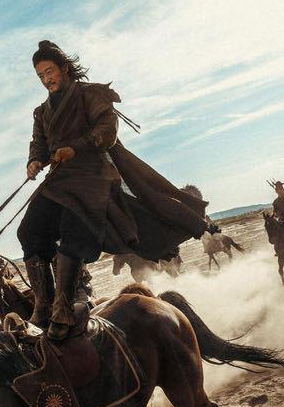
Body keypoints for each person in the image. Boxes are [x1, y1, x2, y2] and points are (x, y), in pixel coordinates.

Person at [18, 40, 208, 340]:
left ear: (64, 68)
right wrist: (34, 161)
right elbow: (38, 143)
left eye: (49, 71)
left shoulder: (90, 94)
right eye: (40, 75)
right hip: (59, 180)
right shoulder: (42, 112)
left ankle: (63, 308)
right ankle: (43, 304)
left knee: (72, 233)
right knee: (28, 232)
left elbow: (107, 129)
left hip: (92, 178)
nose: (46, 79)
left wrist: (75, 148)